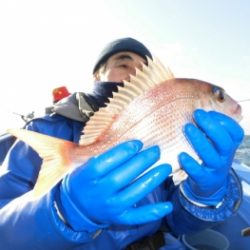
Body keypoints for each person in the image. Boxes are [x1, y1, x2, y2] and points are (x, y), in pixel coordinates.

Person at [0, 37, 244, 250]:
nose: (134, 75)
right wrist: (62, 212)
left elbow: (180, 223)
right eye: (124, 64)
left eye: (142, 70)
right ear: (97, 75)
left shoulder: (189, 132)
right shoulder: (49, 129)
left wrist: (203, 195)